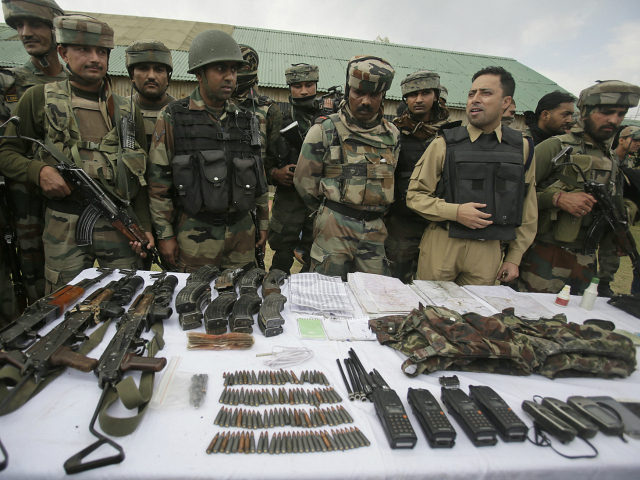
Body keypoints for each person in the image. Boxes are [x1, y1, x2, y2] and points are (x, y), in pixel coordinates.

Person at [0, 14, 152, 293]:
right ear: (63, 52)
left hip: (117, 224)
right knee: (63, 301)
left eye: (102, 52)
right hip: (63, 226)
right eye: (84, 49)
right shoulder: (38, 98)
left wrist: (143, 227)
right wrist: (39, 171)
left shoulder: (128, 111)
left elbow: (139, 176)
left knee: (124, 299)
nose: (95, 58)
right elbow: (6, 151)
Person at [148, 30, 268, 272]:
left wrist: (263, 224)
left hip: (241, 236)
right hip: (194, 237)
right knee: (193, 303)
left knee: (241, 301)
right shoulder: (173, 116)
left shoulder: (248, 120)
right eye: (220, 69)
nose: (229, 77)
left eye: (233, 70)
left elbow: (258, 178)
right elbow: (159, 183)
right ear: (200, 74)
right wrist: (165, 235)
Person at [406, 66, 537, 285]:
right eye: (471, 94)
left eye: (485, 93)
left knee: (479, 316)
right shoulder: (444, 144)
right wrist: (455, 212)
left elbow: (527, 207)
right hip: (443, 244)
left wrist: (514, 258)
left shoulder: (521, 148)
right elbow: (414, 196)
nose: (475, 99)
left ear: (506, 102)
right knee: (431, 311)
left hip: (489, 250)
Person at [518, 80, 640, 295]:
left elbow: (616, 209)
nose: (614, 120)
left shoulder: (611, 159)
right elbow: (514, 194)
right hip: (543, 258)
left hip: (585, 262)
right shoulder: (555, 147)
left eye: (621, 114)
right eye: (606, 112)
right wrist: (557, 199)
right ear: (585, 111)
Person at [293, 55, 398, 280]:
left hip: (374, 231)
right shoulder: (324, 130)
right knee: (325, 292)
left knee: (374, 297)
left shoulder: (393, 136)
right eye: (359, 93)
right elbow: (303, 181)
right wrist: (327, 213)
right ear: (348, 89)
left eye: (374, 95)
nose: (366, 101)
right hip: (334, 227)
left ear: (383, 96)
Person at [0, 0, 66, 307]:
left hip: (68, 213)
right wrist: (35, 171)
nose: (26, 33)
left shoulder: (78, 83)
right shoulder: (9, 85)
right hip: (23, 215)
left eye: (35, 24)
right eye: (19, 26)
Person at [385, 70, 455, 283]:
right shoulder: (394, 133)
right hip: (402, 223)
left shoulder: (451, 134)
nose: (418, 99)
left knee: (435, 283)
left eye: (425, 93)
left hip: (439, 222)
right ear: (405, 98)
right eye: (413, 94)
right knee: (396, 282)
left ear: (435, 95)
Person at [267, 63, 320, 273]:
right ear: (289, 87)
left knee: (314, 264)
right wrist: (276, 174)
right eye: (297, 85)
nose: (304, 91)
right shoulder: (278, 118)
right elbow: (263, 160)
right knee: (280, 260)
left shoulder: (329, 119)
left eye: (309, 84)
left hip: (317, 201)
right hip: (288, 202)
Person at [231, 44, 281, 184]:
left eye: (237, 68)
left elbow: (272, 162)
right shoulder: (215, 104)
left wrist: (274, 174)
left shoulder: (269, 110)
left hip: (252, 192)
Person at [125, 40, 175, 150]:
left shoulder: (180, 113)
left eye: (159, 70)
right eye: (143, 68)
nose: (151, 76)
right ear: (132, 76)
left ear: (168, 77)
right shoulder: (121, 110)